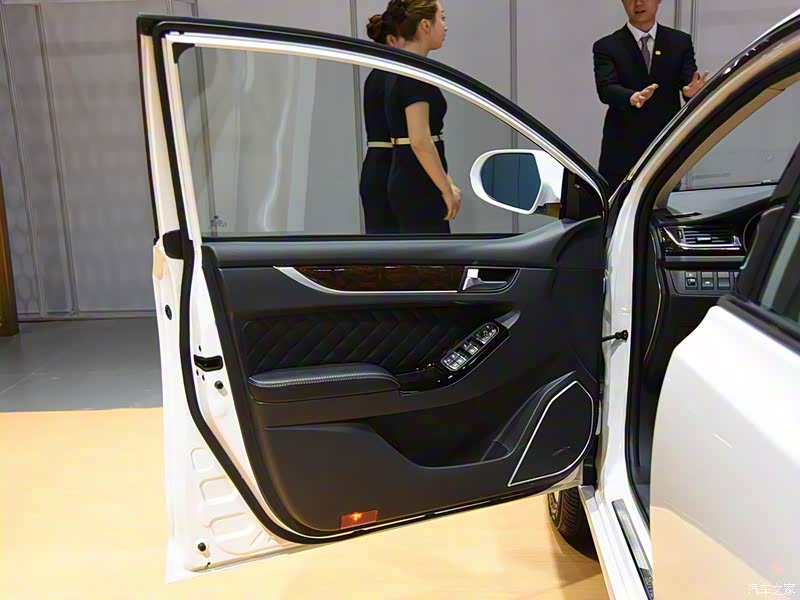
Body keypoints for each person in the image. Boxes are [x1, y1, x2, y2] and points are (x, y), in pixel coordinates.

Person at [593, 0, 709, 193]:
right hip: (622, 148)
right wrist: (631, 97)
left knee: (664, 203)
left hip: (664, 147)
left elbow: (689, 83)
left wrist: (692, 94)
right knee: (619, 205)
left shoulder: (679, 41)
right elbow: (606, 88)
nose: (638, 3)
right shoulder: (607, 46)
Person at [382, 0, 461, 234]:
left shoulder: (402, 67)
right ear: (426, 25)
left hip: (409, 175)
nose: (445, 26)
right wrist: (446, 188)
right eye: (442, 18)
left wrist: (446, 180)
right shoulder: (415, 73)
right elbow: (420, 140)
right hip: (417, 181)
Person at [360, 16, 404, 234]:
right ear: (392, 40)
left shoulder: (375, 76)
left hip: (375, 165)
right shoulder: (394, 77)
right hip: (390, 165)